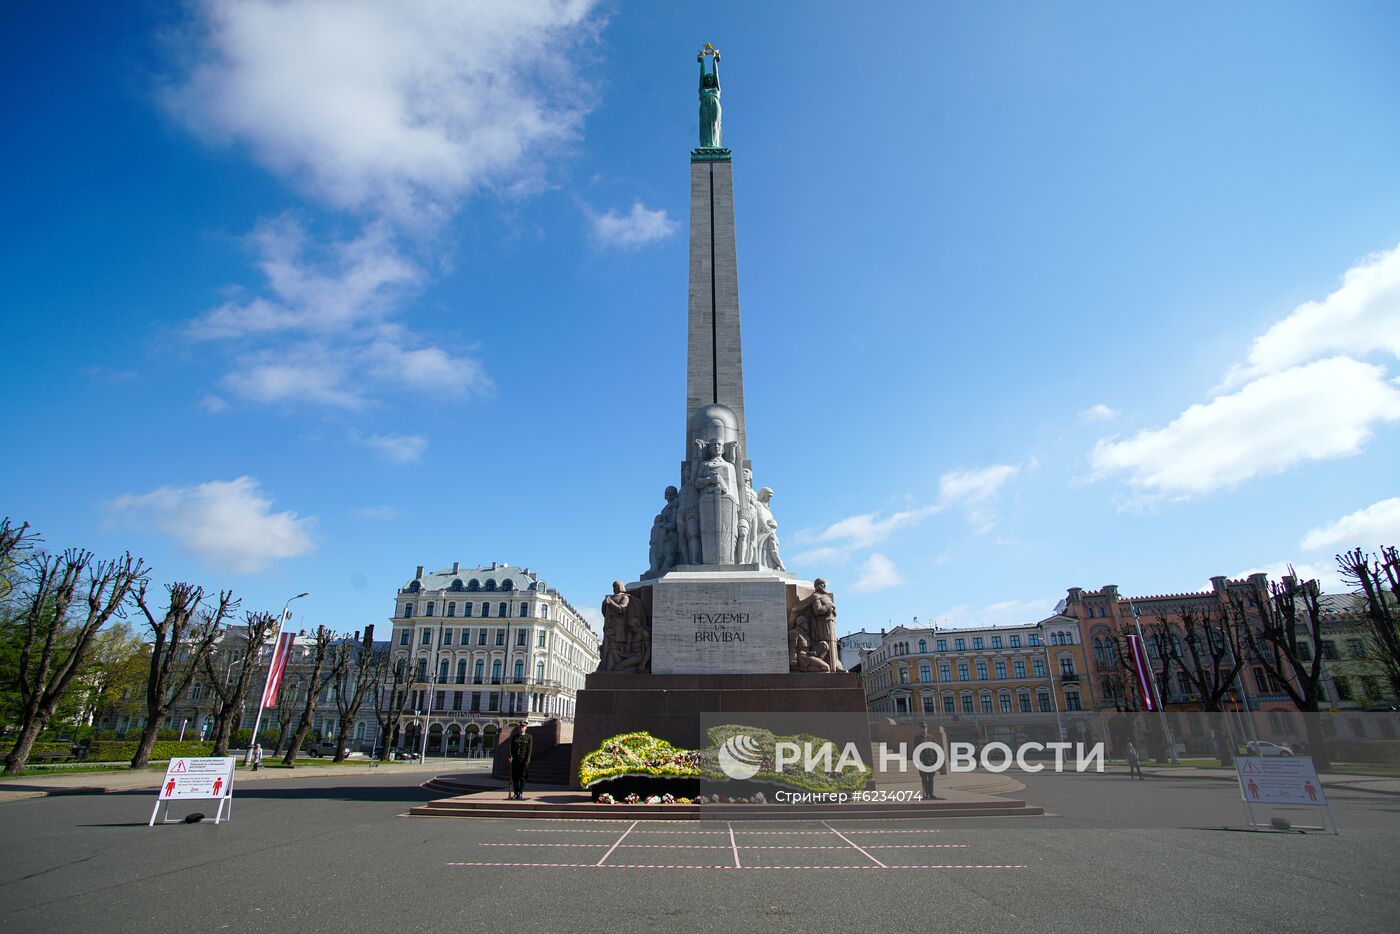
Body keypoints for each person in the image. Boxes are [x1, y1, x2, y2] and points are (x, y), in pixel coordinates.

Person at [508, 723, 532, 801]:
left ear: (526, 728)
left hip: (523, 761)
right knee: (515, 777)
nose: (521, 728)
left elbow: (529, 750)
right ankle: (516, 793)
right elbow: (511, 748)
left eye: (523, 727)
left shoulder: (528, 737)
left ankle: (521, 793)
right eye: (520, 727)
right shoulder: (515, 736)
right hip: (515, 760)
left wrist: (527, 761)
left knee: (522, 777)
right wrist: (510, 756)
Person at [916, 723, 939, 801]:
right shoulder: (918, 738)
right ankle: (925, 794)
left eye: (925, 727)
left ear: (927, 728)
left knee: (931, 778)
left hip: (931, 761)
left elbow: (936, 749)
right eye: (922, 727)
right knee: (924, 778)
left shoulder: (931, 737)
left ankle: (931, 793)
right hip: (923, 761)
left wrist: (936, 761)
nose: (924, 729)